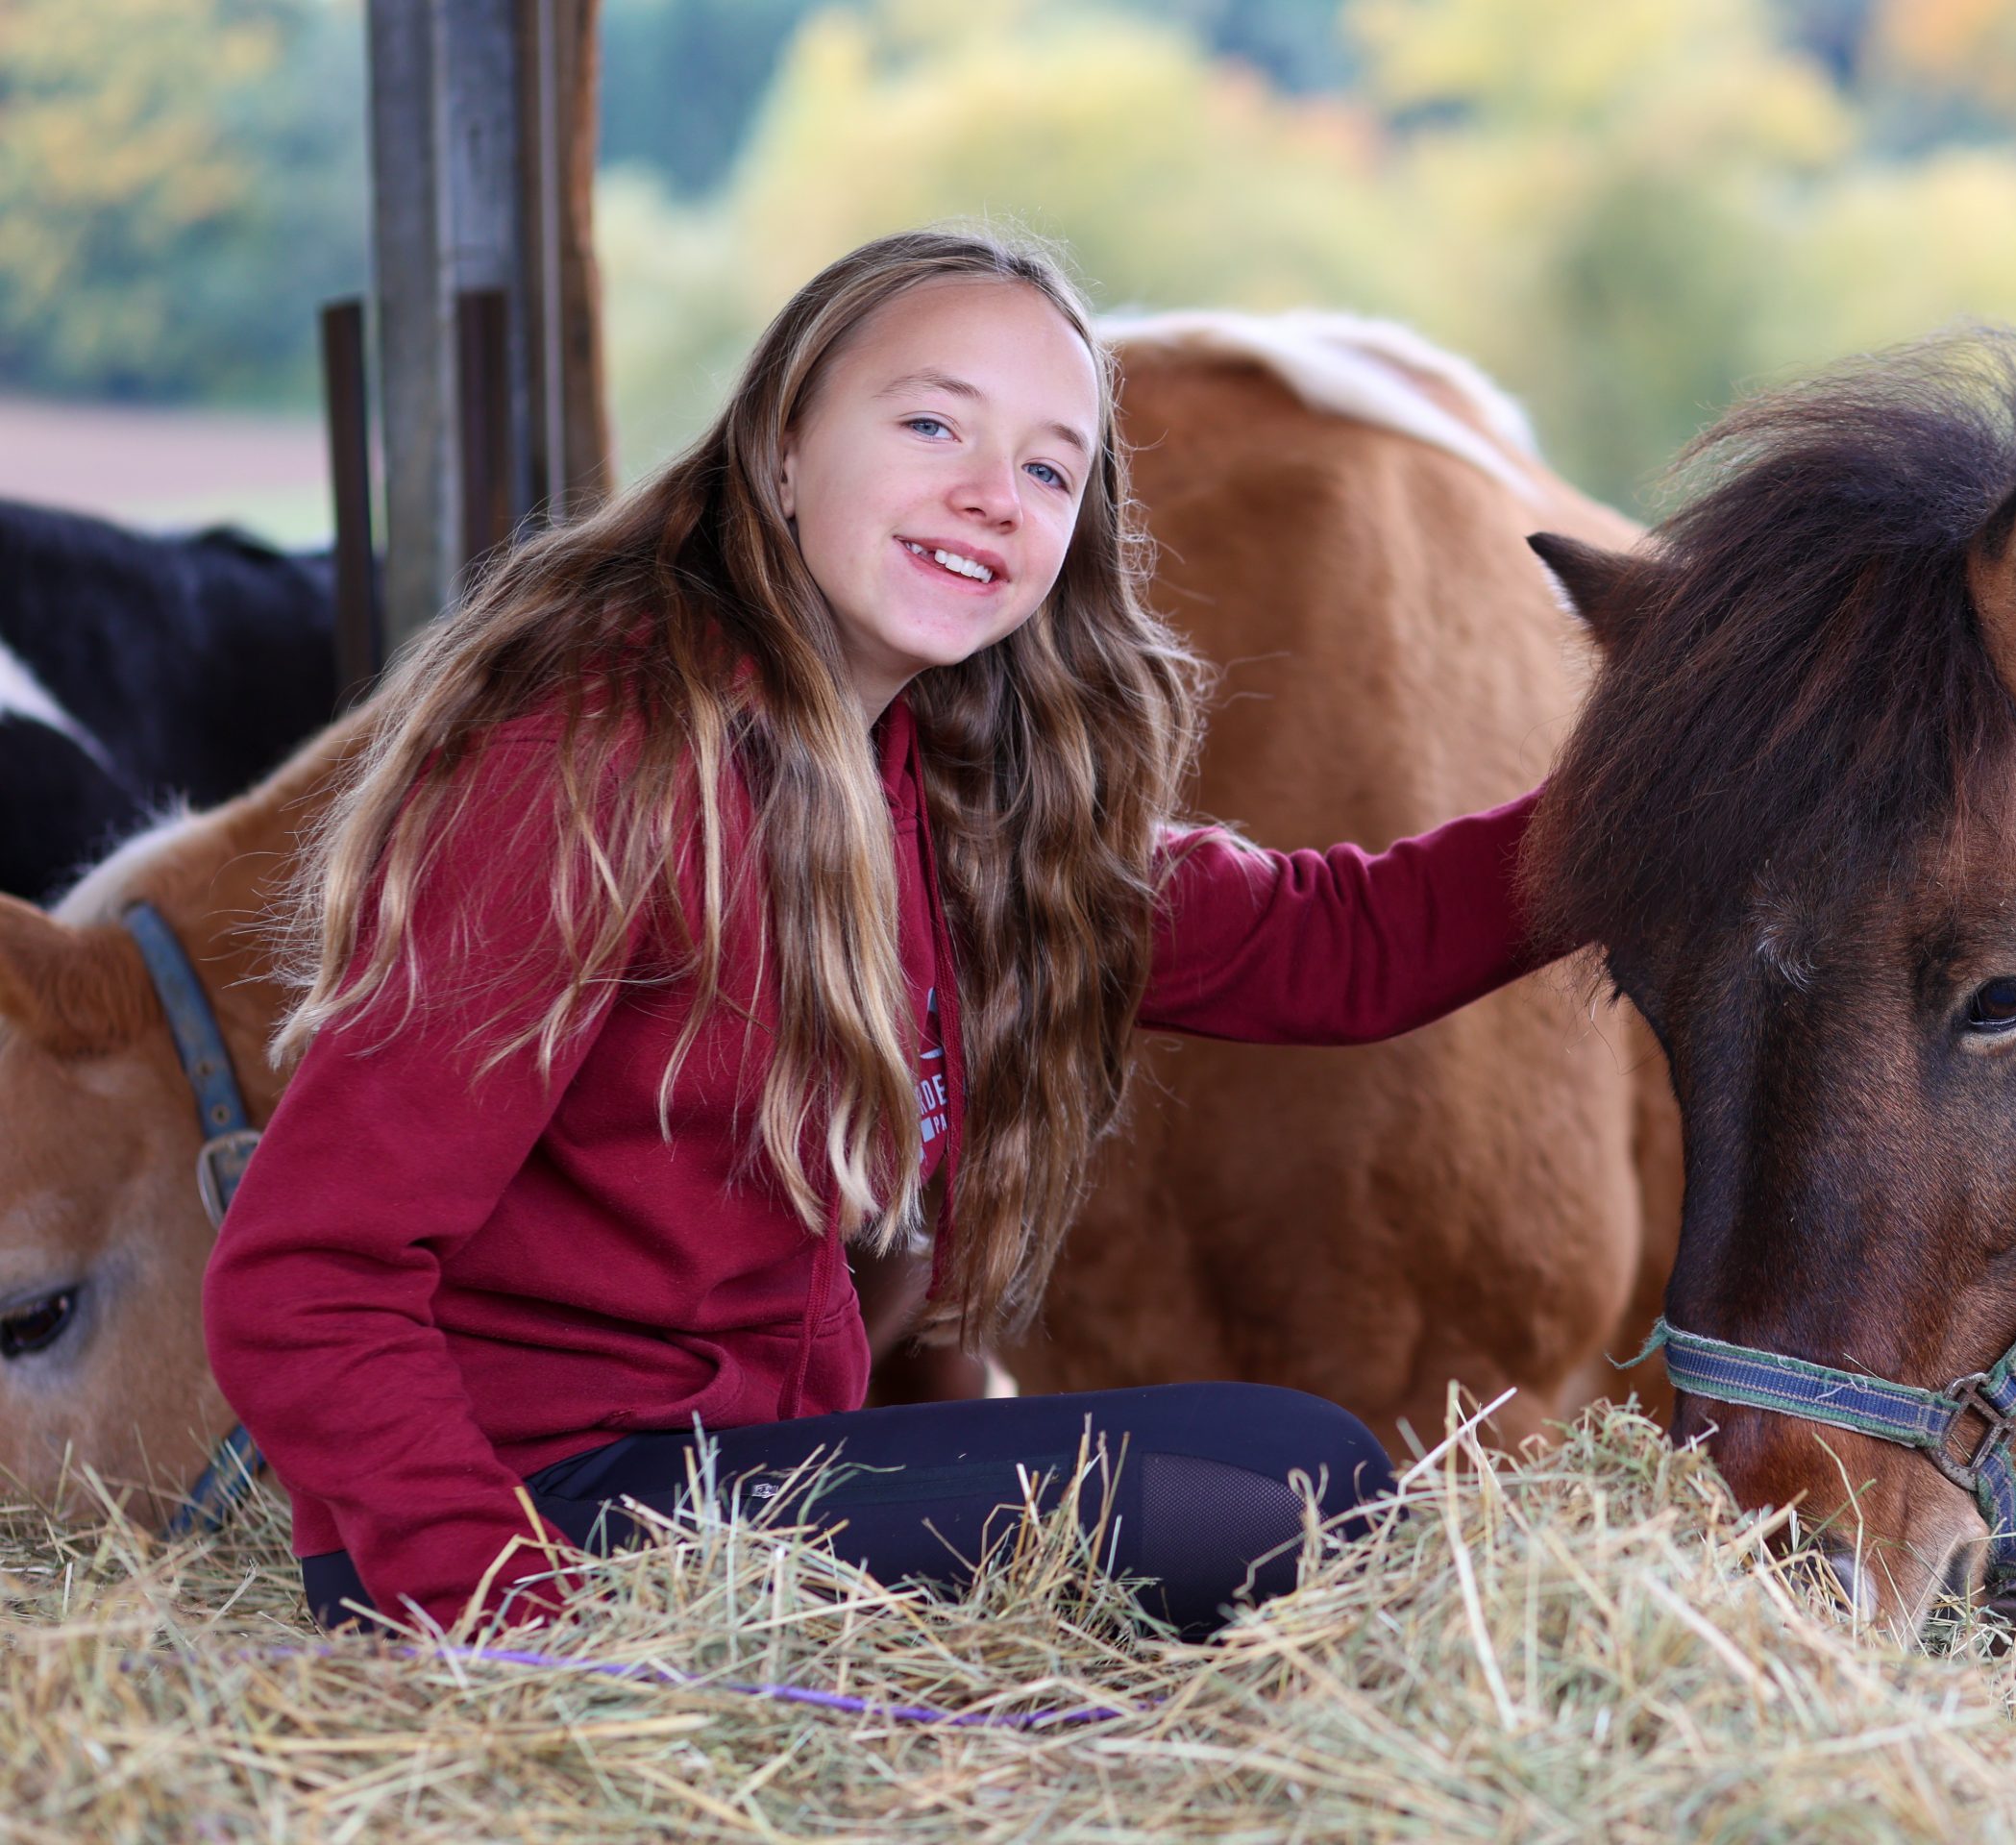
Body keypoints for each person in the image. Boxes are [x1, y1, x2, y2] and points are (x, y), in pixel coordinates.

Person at [200, 228, 1563, 1639]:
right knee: (1280, 1497)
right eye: (931, 425)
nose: (993, 496)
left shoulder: (950, 803)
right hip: (521, 1526)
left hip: (738, 1487)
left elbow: (1337, 945)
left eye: (1050, 469)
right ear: (782, 450)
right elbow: (303, 1277)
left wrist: (1651, 783)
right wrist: (519, 1627)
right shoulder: (600, 766)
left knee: (1298, 1465)